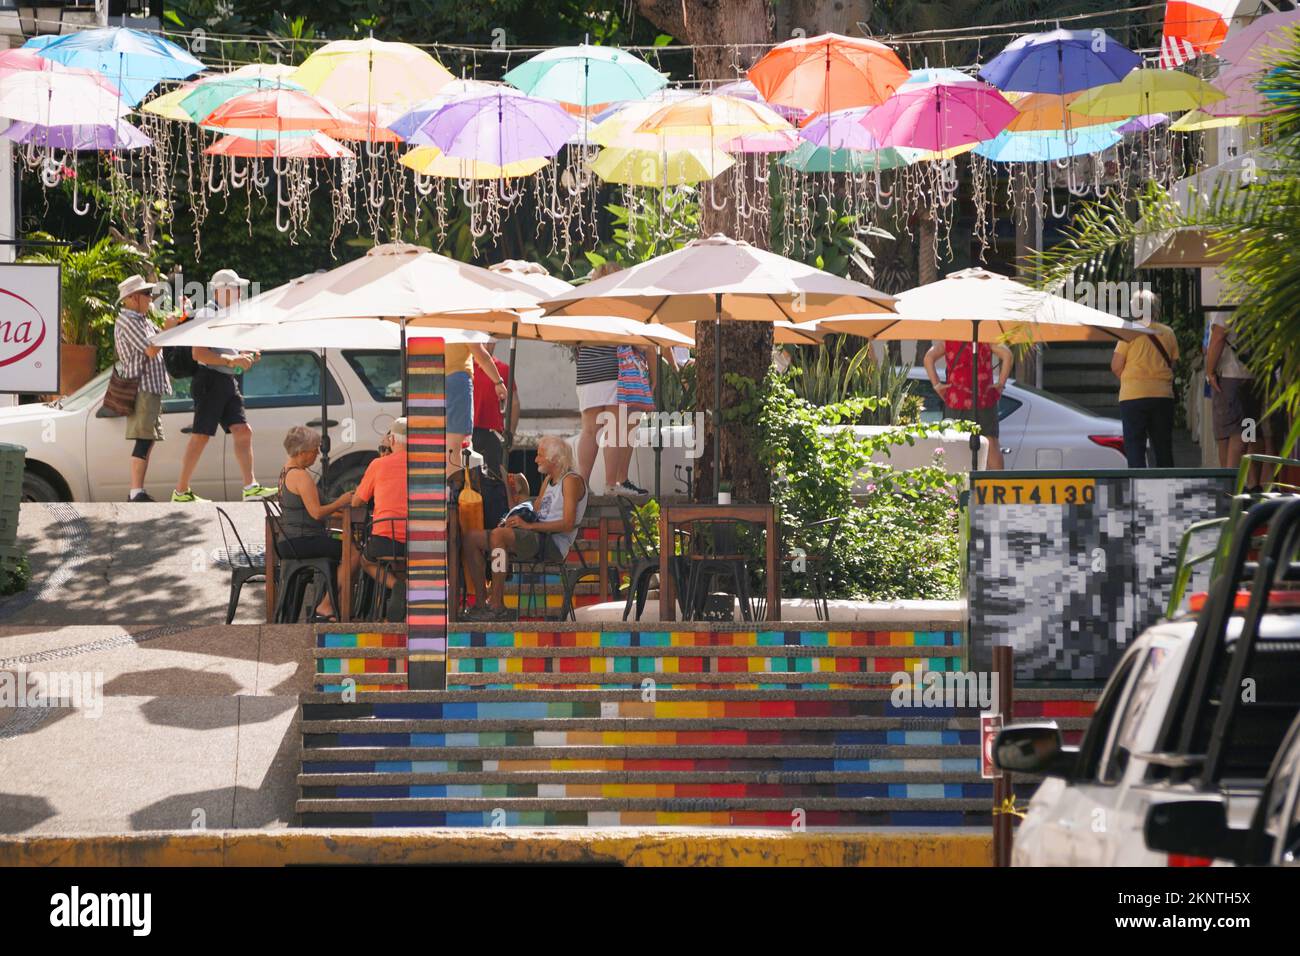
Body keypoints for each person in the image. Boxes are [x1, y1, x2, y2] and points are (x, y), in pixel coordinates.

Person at [172, 269, 277, 503]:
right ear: (222, 290)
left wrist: (244, 355)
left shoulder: (225, 314)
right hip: (209, 380)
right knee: (200, 436)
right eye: (236, 288)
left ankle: (250, 486)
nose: (240, 292)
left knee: (242, 431)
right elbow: (199, 353)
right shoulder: (208, 314)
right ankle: (180, 492)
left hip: (225, 380)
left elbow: (225, 352)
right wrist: (233, 360)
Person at [460, 434, 589, 621]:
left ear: (555, 458)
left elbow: (568, 524)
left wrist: (529, 526)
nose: (536, 459)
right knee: (471, 539)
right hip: (536, 535)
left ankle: (497, 605)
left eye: (540, 455)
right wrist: (511, 495)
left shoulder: (571, 481)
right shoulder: (549, 480)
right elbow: (533, 508)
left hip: (552, 543)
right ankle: (482, 603)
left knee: (499, 536)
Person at [277, 425, 357, 621]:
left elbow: (308, 508)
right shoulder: (300, 476)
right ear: (302, 452)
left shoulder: (286, 471)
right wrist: (341, 502)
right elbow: (316, 513)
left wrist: (338, 512)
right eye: (315, 450)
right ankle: (326, 605)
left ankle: (334, 604)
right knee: (354, 552)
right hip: (303, 540)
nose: (317, 455)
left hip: (290, 540)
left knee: (347, 546)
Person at [114, 275, 174, 502]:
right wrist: (167, 330)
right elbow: (150, 349)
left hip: (150, 387)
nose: (151, 298)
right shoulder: (129, 321)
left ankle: (138, 490)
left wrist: (172, 326)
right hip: (142, 388)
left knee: (147, 438)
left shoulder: (141, 320)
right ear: (132, 298)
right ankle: (135, 491)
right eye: (146, 294)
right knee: (143, 438)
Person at [1112, 290, 1179, 468]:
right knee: (1163, 447)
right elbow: (1173, 364)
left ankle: (1138, 487)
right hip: (1162, 396)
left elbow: (1116, 365)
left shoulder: (1128, 332)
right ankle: (1167, 489)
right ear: (1156, 308)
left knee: (1135, 448)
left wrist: (1131, 380)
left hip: (1133, 396)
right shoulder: (1169, 333)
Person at [923, 339, 1013, 470]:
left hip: (956, 400)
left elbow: (928, 358)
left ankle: (956, 486)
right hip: (983, 398)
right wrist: (1001, 383)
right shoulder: (985, 337)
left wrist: (937, 385)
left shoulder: (950, 339)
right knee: (990, 444)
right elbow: (1007, 355)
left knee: (954, 445)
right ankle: (996, 485)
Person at [351, 418, 408, 603]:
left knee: (366, 561)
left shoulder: (378, 465)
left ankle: (398, 586)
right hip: (420, 542)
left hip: (385, 540)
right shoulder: (427, 466)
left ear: (392, 440)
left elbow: (357, 501)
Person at [1205, 312, 1264, 482]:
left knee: (1230, 433)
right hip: (1253, 375)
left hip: (1230, 376)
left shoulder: (1226, 302)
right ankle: (1253, 485)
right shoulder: (1256, 299)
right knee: (1249, 432)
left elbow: (1218, 337)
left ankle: (1230, 486)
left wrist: (1210, 372)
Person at [447, 340, 508, 476]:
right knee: (455, 447)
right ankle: (452, 491)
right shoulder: (465, 321)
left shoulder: (428, 321)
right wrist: (498, 381)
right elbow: (482, 355)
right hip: (456, 380)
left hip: (428, 380)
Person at [471, 339, 520, 483]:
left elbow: (515, 403)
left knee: (494, 478)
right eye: (482, 342)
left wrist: (510, 433)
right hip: (469, 430)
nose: (486, 346)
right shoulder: (467, 368)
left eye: (489, 342)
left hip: (493, 433)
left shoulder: (503, 369)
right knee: (472, 478)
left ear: (495, 343)